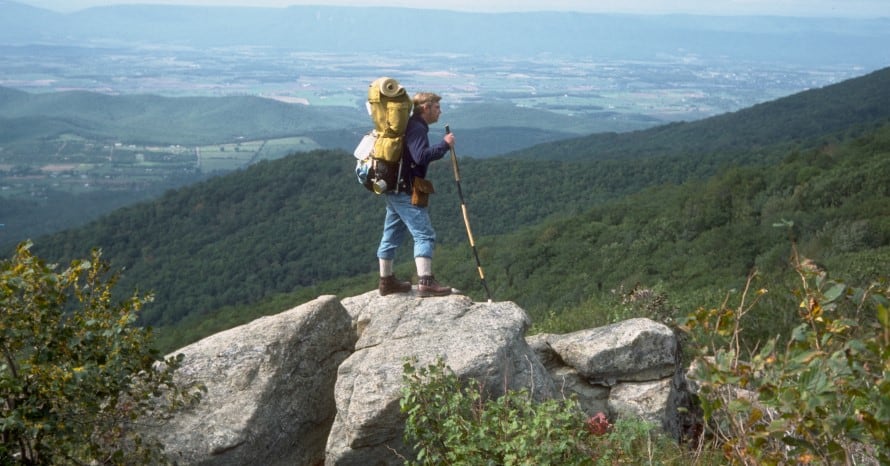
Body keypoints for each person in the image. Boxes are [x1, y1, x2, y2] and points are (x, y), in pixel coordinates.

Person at [377, 92, 454, 297]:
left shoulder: (409, 125)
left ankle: (386, 281)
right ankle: (426, 281)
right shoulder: (418, 128)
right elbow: (421, 157)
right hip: (405, 190)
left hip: (393, 189)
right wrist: (444, 145)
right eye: (436, 107)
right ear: (425, 108)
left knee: (391, 235)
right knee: (424, 235)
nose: (440, 111)